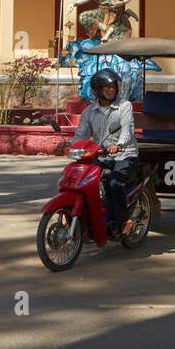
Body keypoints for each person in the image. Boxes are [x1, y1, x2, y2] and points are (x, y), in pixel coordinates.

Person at [71, 67, 138, 234]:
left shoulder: (124, 106)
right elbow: (81, 134)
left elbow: (127, 129)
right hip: (100, 155)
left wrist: (120, 145)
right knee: (81, 181)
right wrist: (68, 145)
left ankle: (124, 220)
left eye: (113, 86)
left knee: (115, 183)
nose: (111, 89)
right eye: (107, 87)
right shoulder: (89, 111)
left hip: (124, 154)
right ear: (97, 90)